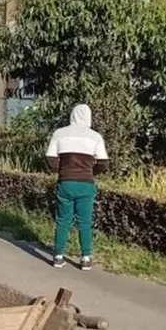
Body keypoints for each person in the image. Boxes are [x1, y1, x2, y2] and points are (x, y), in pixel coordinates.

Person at [45, 103, 109, 271]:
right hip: (86, 184)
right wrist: (90, 172)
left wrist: (62, 171)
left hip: (65, 182)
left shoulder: (59, 133)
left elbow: (51, 159)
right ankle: (85, 258)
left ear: (72, 115)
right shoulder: (95, 137)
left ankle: (58, 256)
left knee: (63, 221)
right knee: (84, 222)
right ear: (89, 116)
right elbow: (103, 162)